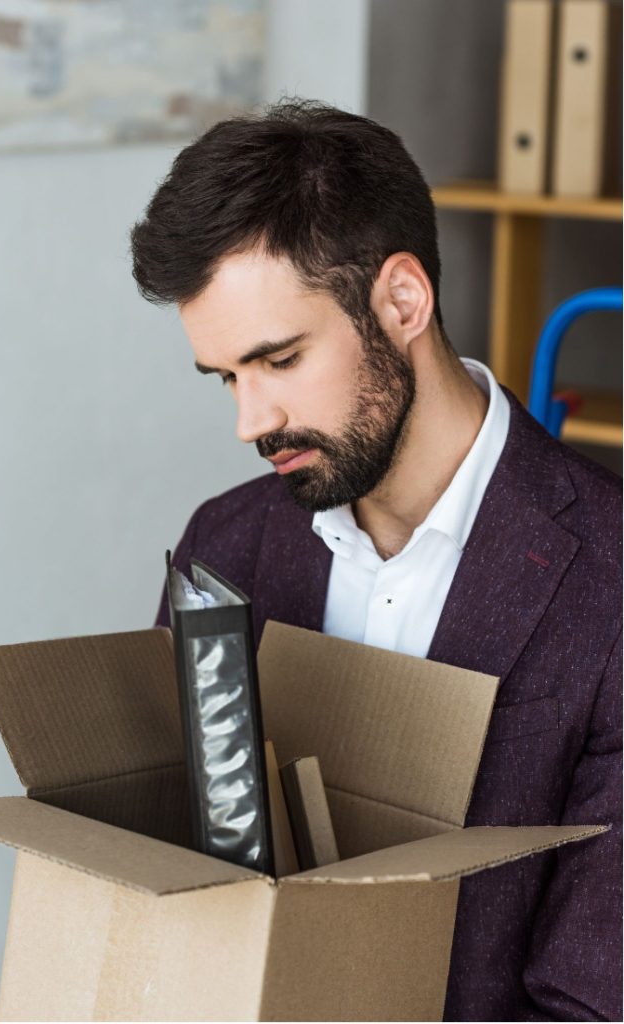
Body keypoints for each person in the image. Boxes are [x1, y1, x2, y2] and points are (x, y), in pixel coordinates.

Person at [130, 100, 621, 1021]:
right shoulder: (223, 548)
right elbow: (175, 884)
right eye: (227, 377)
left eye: (278, 360)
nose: (249, 422)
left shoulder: (612, 583)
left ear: (401, 300)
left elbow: (593, 1002)